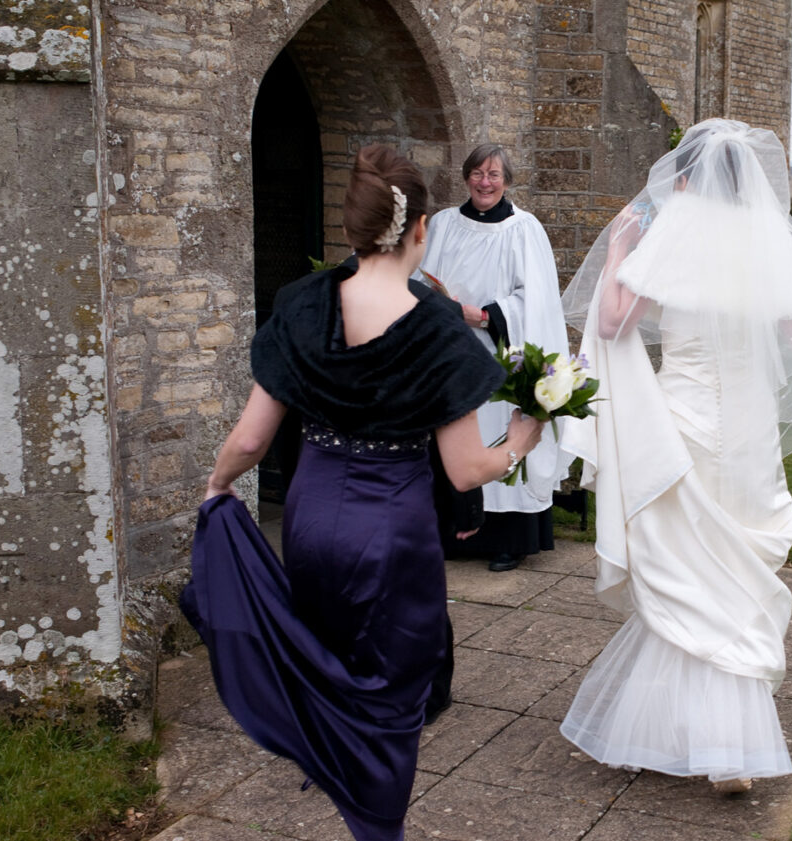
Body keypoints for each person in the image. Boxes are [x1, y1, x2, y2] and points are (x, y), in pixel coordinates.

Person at [180, 144, 544, 841]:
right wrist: (524, 437)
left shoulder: (304, 302)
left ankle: (343, 781)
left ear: (352, 229)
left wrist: (218, 484)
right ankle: (378, 826)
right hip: (394, 527)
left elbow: (252, 439)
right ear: (420, 229)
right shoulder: (437, 326)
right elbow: (466, 469)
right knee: (392, 684)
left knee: (333, 661)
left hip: (314, 517)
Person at [557, 119, 792, 792]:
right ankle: (726, 742)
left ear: (684, 178)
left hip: (683, 422)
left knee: (687, 564)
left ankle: (700, 737)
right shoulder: (762, 239)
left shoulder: (674, 232)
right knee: (734, 561)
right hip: (746, 428)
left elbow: (611, 322)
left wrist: (624, 245)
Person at [414, 144, 571, 572]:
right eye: (478, 174)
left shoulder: (524, 229)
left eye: (494, 175)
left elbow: (536, 300)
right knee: (452, 440)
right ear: (466, 177)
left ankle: (507, 540)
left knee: (500, 433)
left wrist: (485, 316)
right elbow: (417, 279)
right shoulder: (444, 224)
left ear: (507, 181)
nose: (485, 182)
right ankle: (454, 535)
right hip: (449, 355)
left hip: (502, 354)